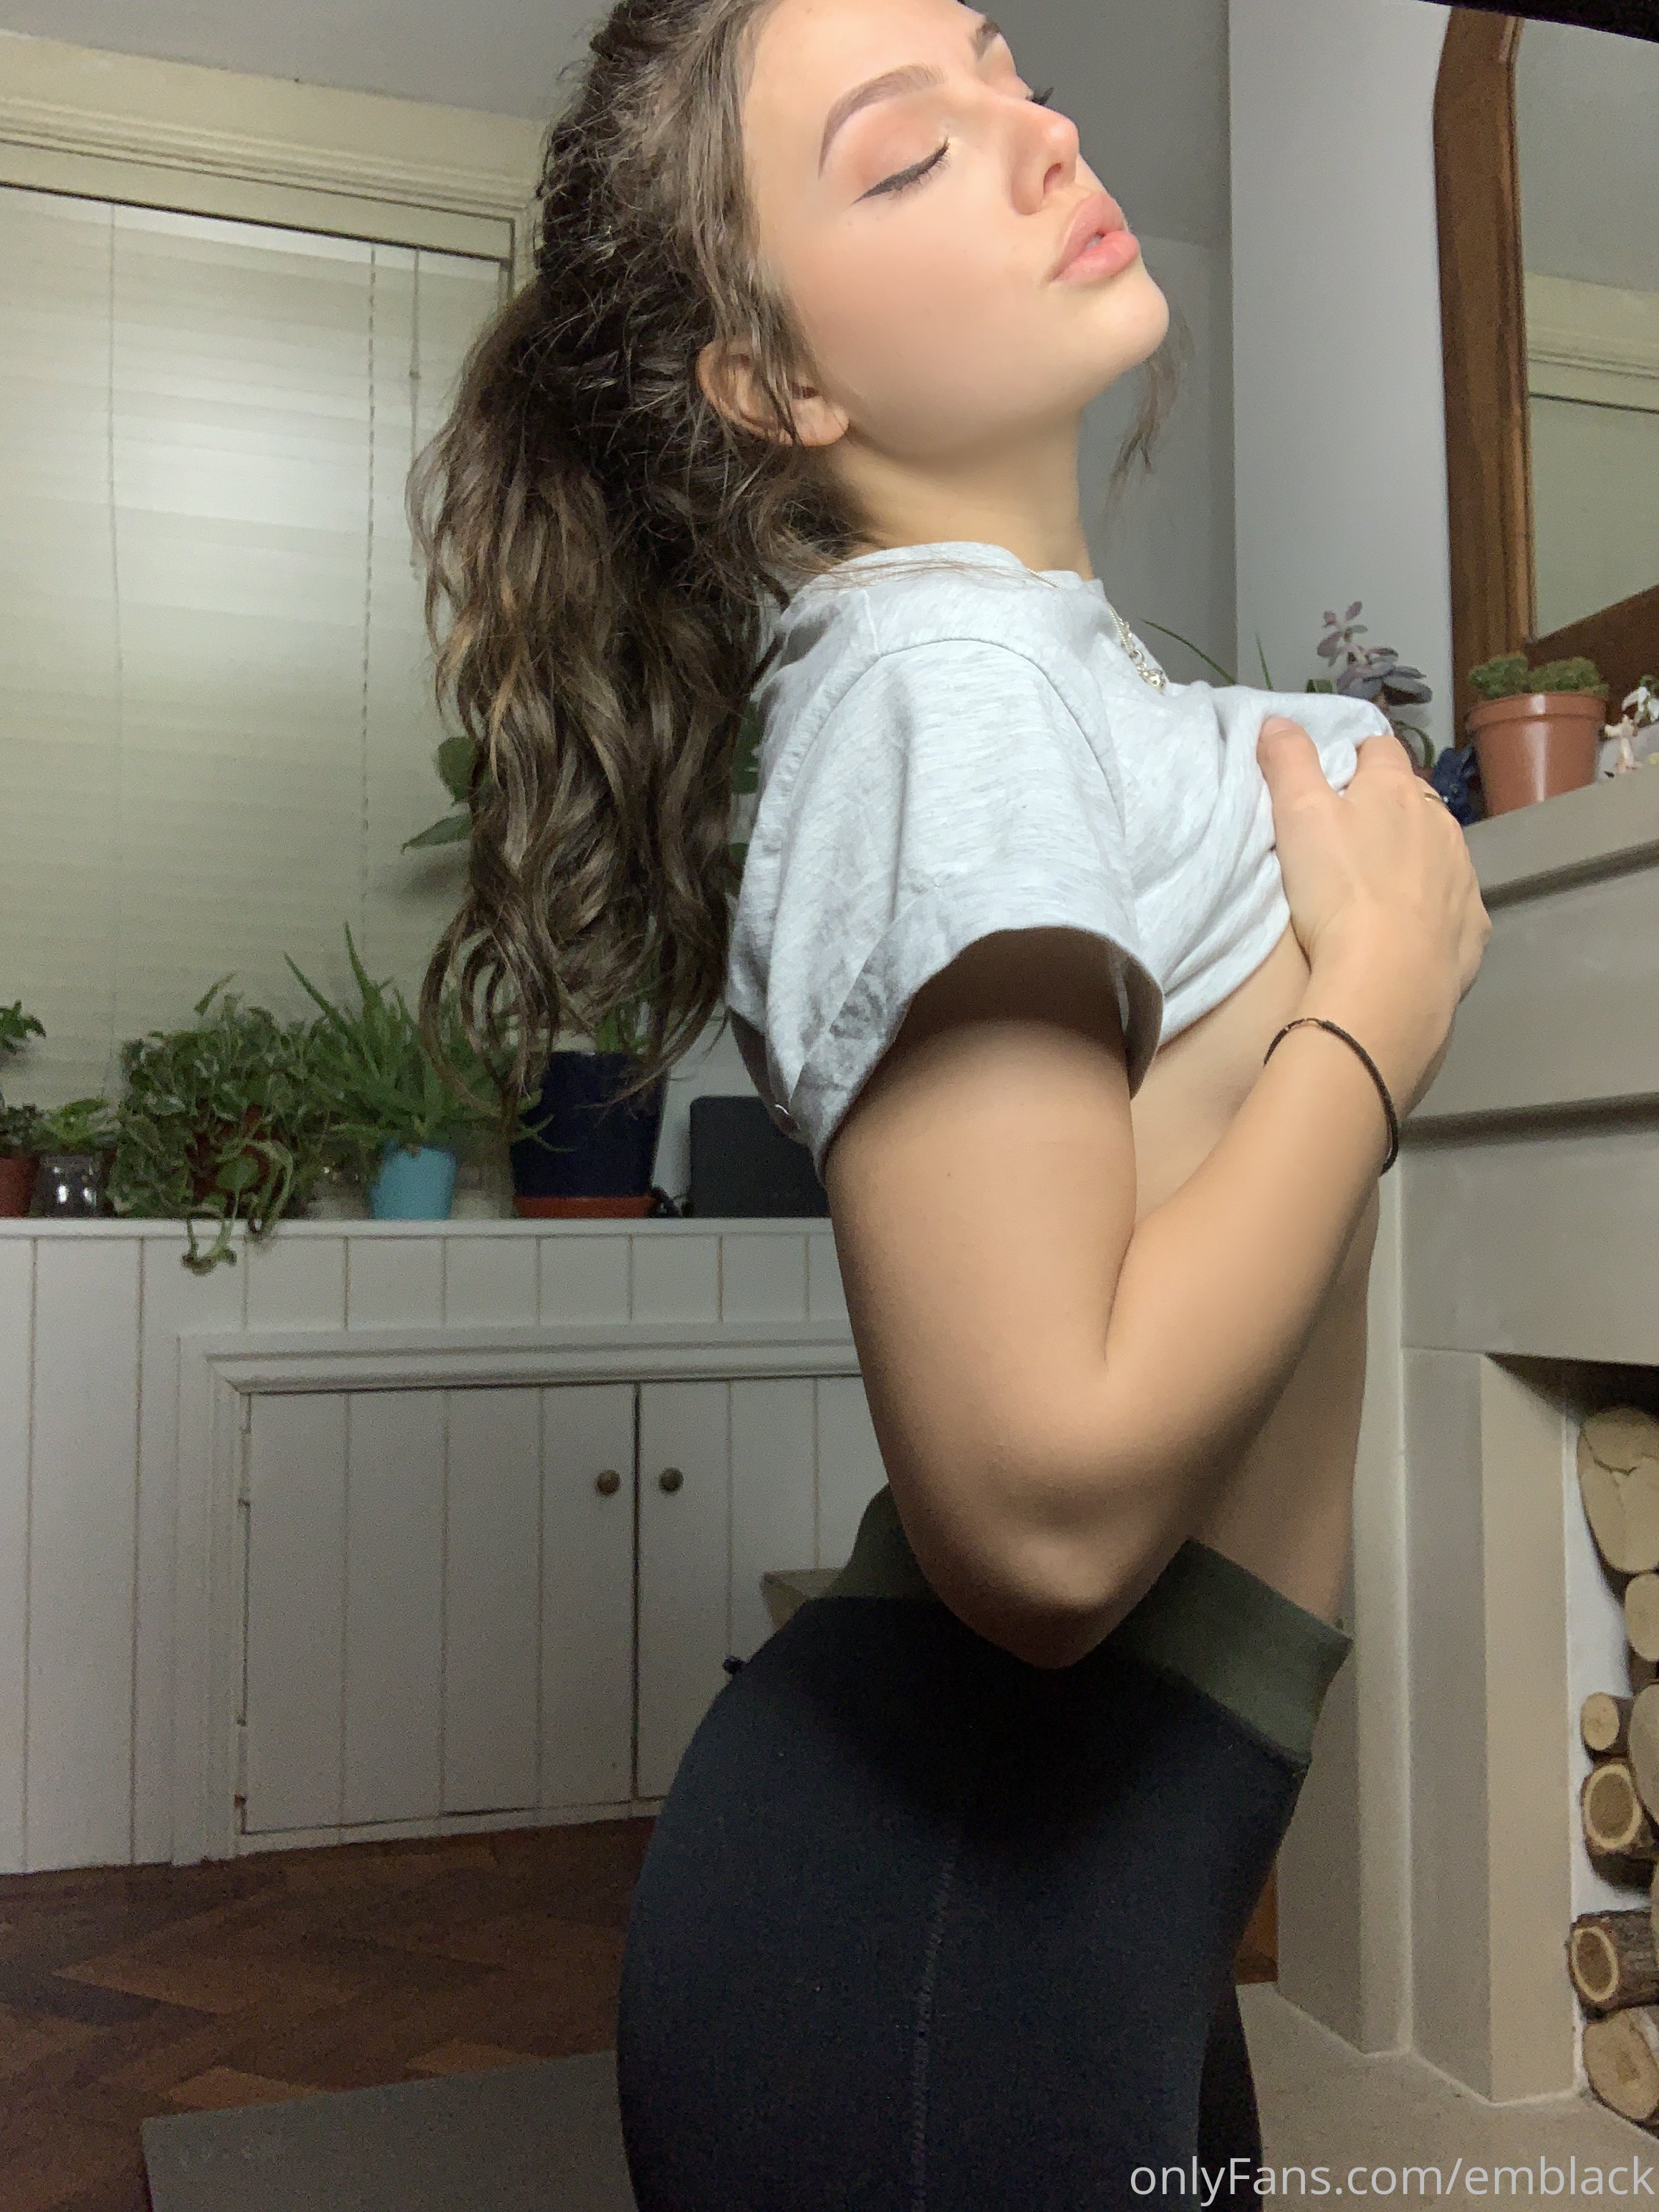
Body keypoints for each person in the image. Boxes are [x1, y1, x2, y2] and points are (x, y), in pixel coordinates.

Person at [411, 0, 1492, 2201]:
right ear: (776, 384)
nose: (1036, 132)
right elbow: (1039, 1514)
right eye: (907, 152)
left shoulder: (1041, 671)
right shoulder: (945, 686)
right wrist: (1373, 1010)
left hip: (1081, 1910)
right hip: (941, 1942)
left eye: (1008, 70)